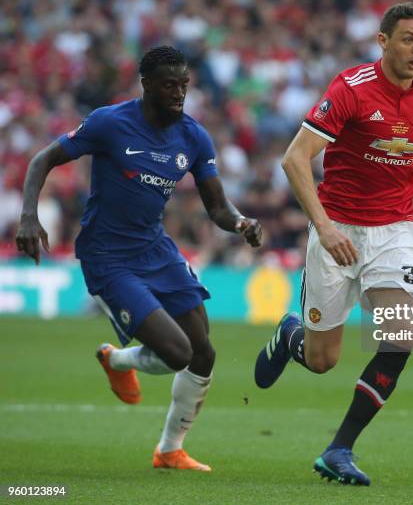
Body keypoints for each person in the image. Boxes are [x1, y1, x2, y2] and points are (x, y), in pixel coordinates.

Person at [15, 46, 262, 472]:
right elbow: (44, 159)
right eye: (169, 84)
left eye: (184, 84)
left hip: (156, 249)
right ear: (146, 84)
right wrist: (28, 216)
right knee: (178, 352)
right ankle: (115, 358)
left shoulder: (194, 136)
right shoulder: (109, 123)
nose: (179, 93)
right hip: (108, 256)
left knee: (204, 352)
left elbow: (217, 207)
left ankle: (169, 450)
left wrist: (241, 223)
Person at [254, 2, 413, 485]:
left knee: (401, 336)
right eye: (407, 39)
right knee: (323, 361)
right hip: (337, 228)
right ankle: (291, 335)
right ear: (382, 42)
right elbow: (295, 160)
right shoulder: (351, 90)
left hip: (395, 232)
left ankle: (339, 449)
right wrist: (324, 227)